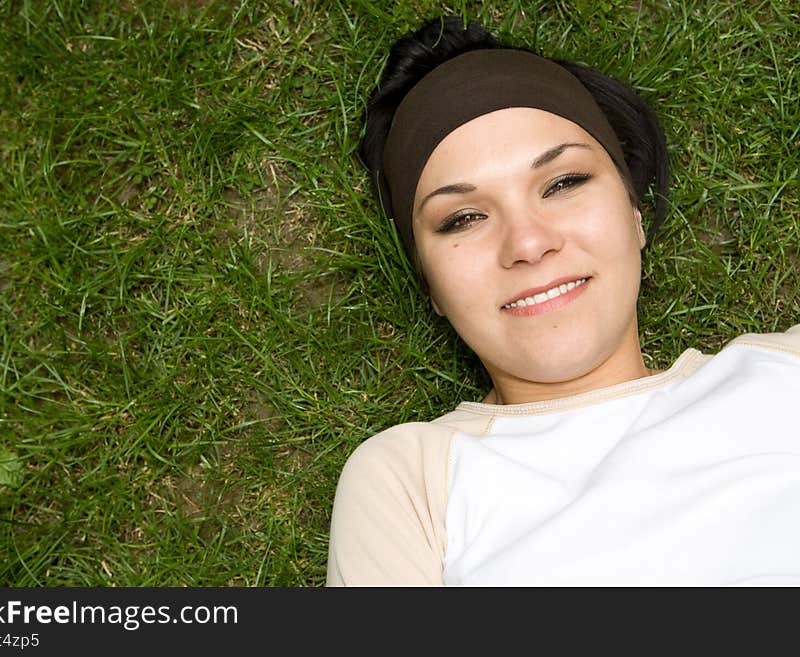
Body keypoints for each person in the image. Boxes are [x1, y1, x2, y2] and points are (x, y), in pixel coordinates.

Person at [326, 16, 800, 586]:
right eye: (464, 218)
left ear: (633, 214)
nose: (527, 243)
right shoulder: (410, 480)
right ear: (432, 288)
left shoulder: (783, 370)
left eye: (563, 183)